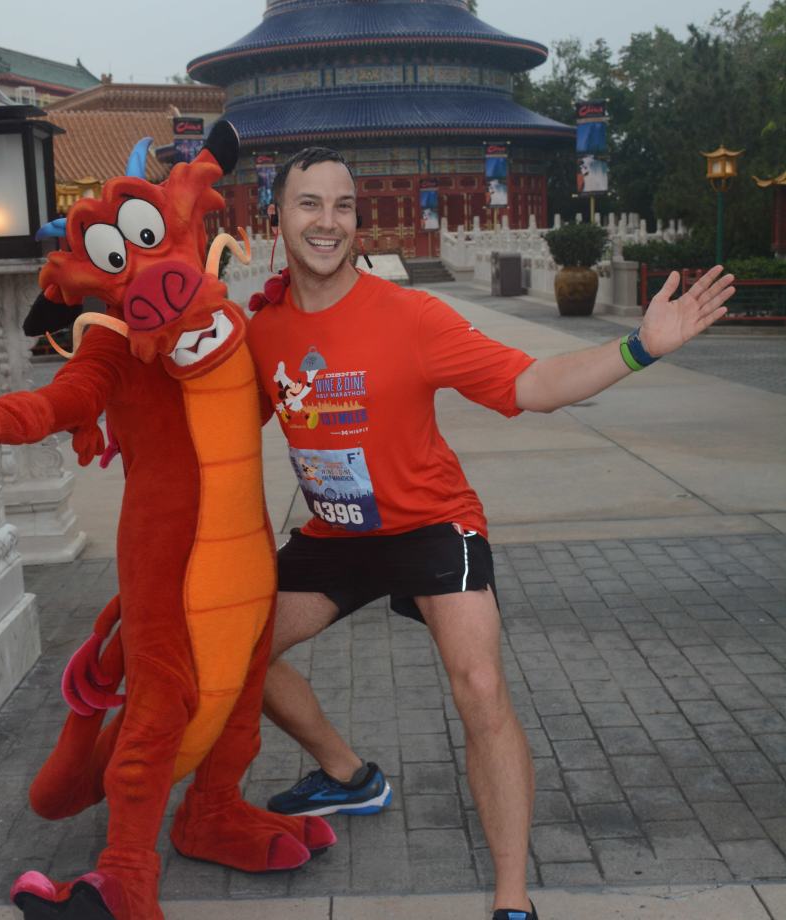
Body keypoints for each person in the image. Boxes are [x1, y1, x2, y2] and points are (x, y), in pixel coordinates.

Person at [245, 147, 734, 920]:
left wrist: (639, 347)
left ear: (357, 220)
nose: (328, 221)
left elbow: (530, 384)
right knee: (237, 650)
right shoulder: (263, 330)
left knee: (479, 687)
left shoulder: (410, 317)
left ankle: (512, 899)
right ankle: (348, 777)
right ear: (276, 216)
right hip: (338, 533)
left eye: (343, 205)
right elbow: (219, 427)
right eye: (310, 204)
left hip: (432, 523)